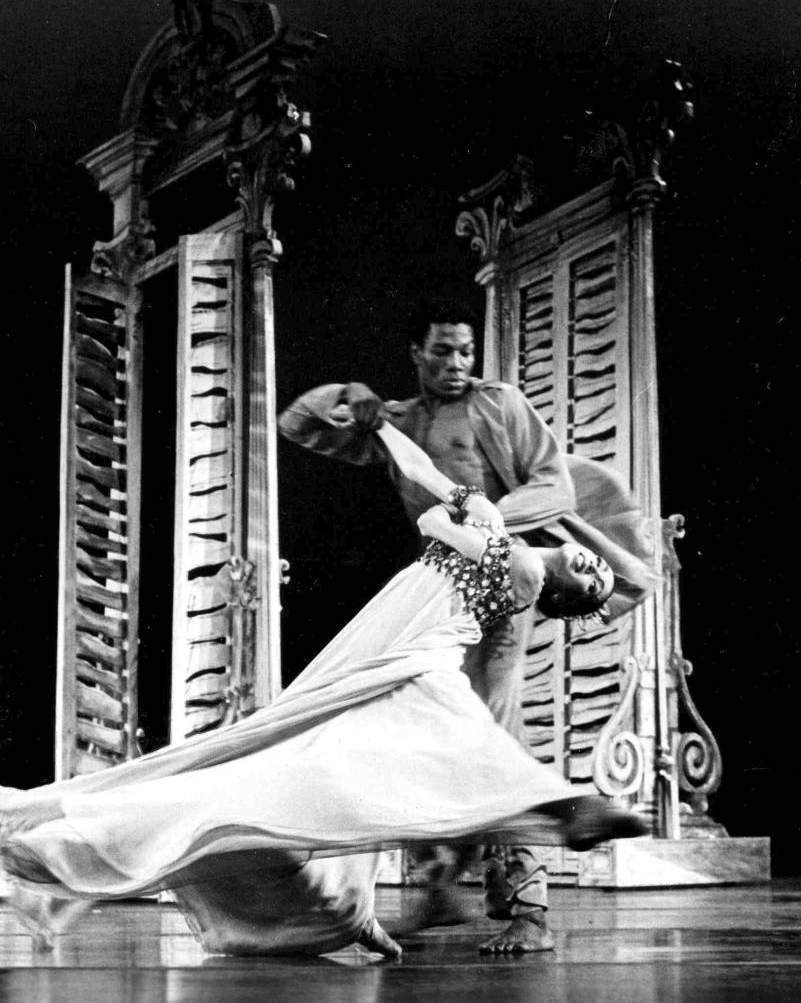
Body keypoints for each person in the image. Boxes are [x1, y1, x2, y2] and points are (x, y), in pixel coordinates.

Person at [0, 419, 647, 962]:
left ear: (559, 595)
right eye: (595, 568)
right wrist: (381, 429)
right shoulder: (508, 537)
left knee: (409, 755)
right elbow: (429, 485)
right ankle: (555, 809)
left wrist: (464, 514)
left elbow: (437, 519)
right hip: (393, 647)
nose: (590, 570)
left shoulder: (522, 572)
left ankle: (551, 812)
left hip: (417, 652)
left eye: (589, 585)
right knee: (333, 772)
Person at [278, 297, 658, 954]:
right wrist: (350, 393)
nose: (458, 364)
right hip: (444, 599)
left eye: (466, 351)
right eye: (444, 351)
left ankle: (529, 909)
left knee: (495, 741)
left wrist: (488, 525)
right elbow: (298, 422)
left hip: (506, 588)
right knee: (423, 737)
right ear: (416, 354)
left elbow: (555, 486)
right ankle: (438, 889)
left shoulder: (500, 404)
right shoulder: (397, 420)